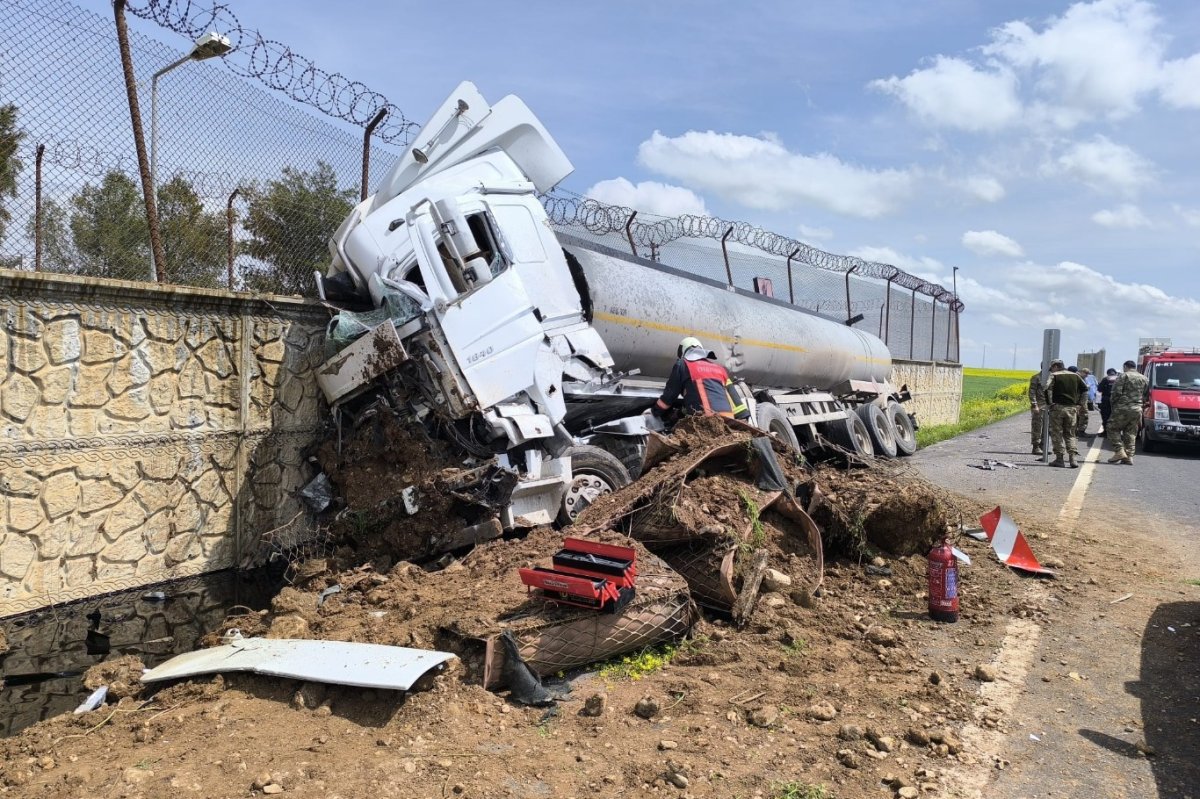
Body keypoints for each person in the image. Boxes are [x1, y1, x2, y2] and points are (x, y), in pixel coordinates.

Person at [653, 336, 750, 421]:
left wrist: (655, 412)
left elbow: (670, 395)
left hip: (705, 420)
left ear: (682, 352)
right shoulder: (720, 369)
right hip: (728, 419)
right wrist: (742, 416)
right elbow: (735, 400)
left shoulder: (682, 364)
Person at [1044, 359, 1088, 468]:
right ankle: (1073, 459)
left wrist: (1050, 403)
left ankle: (1059, 459)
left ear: (1056, 366)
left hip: (1057, 408)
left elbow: (1047, 388)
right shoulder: (1076, 376)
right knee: (1070, 434)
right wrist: (1080, 404)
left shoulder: (1054, 375)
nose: (1051, 370)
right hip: (1072, 408)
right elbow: (1085, 390)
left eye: (1052, 368)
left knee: (1057, 433)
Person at [1106, 359, 1149, 465]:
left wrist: (1113, 406)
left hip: (1122, 407)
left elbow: (1116, 393)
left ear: (1126, 366)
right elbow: (1146, 395)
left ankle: (1119, 451)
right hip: (1137, 409)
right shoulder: (1144, 378)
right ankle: (1129, 457)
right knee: (1131, 432)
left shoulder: (1124, 376)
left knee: (1111, 428)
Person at [1077, 367, 1098, 436]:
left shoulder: (1084, 379)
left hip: (1083, 400)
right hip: (1080, 401)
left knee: (1081, 416)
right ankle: (1080, 431)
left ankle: (1079, 430)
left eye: (1088, 374)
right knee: (1083, 415)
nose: (1087, 375)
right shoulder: (1078, 378)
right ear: (1082, 372)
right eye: (1086, 373)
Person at [1028, 369, 1045, 455]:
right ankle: (1036, 447)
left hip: (1048, 406)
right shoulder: (1036, 377)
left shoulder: (1051, 377)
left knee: (1047, 428)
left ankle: (1043, 446)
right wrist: (1034, 404)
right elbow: (1032, 392)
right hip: (1039, 405)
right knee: (1037, 426)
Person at [1097, 368, 1118, 434]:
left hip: (1106, 400)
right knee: (1116, 416)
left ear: (1107, 373)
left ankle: (1106, 432)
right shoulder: (1119, 379)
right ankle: (1115, 432)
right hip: (1116, 400)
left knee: (1105, 416)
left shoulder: (1105, 379)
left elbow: (1099, 390)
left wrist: (1098, 402)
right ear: (1115, 373)